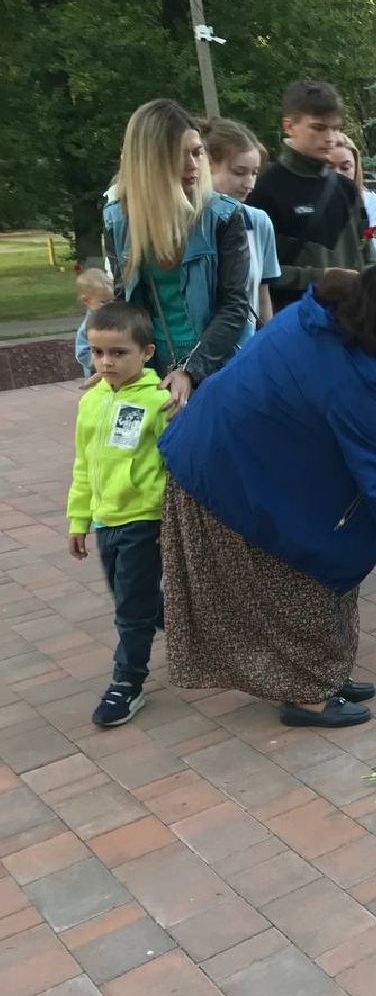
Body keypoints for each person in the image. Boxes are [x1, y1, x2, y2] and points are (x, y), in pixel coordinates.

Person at [158, 261, 376, 727]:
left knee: (322, 562)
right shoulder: (358, 377)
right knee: (296, 575)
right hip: (220, 469)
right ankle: (305, 693)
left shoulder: (332, 318)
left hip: (241, 451)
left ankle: (322, 674)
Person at [102, 99, 252, 417]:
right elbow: (123, 305)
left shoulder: (223, 216)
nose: (193, 165)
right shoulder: (118, 218)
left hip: (220, 363)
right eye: (179, 154)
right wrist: (111, 359)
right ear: (149, 160)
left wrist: (191, 370)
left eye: (197, 151)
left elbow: (235, 307)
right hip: (150, 366)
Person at [66, 302, 170, 726]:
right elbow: (83, 464)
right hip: (106, 520)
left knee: (129, 606)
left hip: (144, 520)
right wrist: (79, 519)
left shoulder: (159, 401)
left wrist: (165, 512)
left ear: (146, 353)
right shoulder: (91, 403)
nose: (105, 362)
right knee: (131, 597)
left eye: (118, 353)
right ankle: (186, 623)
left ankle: (127, 683)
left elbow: (174, 466)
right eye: (97, 352)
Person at [248, 80, 372, 310]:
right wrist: (320, 276)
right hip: (297, 324)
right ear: (289, 126)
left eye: (335, 128)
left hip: (353, 323)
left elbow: (369, 256)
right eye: (318, 127)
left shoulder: (347, 189)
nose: (330, 137)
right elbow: (255, 272)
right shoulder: (264, 189)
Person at [200, 117, 281, 335]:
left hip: (244, 353)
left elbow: (262, 297)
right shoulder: (187, 222)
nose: (250, 183)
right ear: (206, 165)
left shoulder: (258, 221)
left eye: (254, 173)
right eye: (239, 172)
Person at [73, 268, 115, 379]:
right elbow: (82, 353)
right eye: (104, 302)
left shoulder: (113, 318)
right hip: (96, 375)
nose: (109, 305)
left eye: (112, 300)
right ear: (87, 301)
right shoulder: (88, 326)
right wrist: (100, 362)